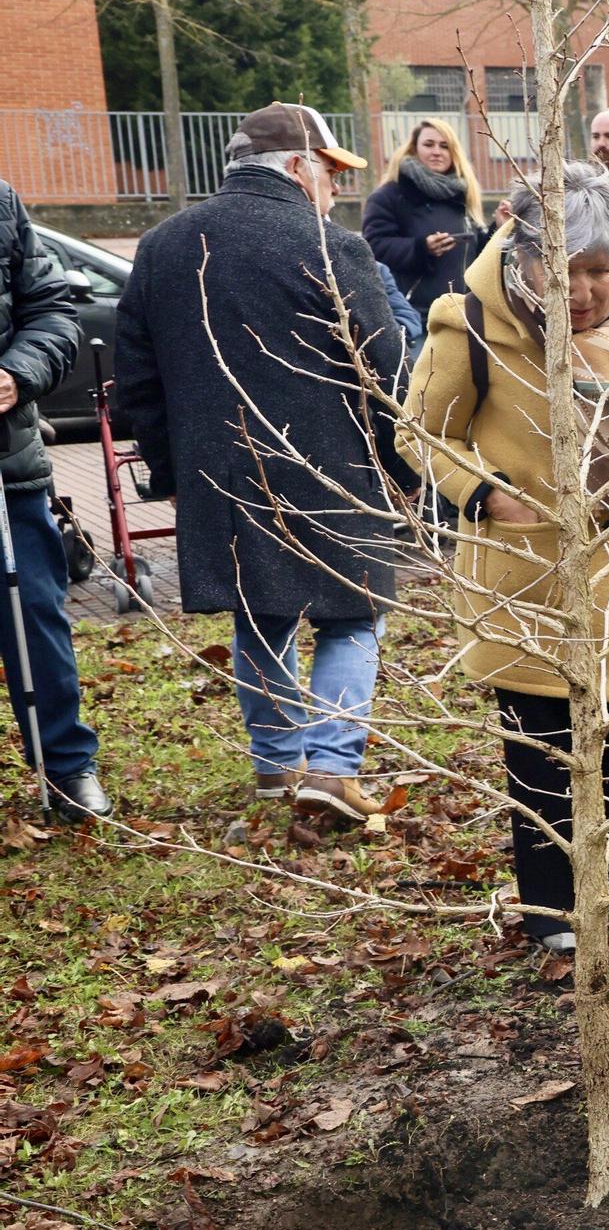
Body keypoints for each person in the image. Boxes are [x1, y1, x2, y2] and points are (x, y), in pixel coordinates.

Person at [400, 162, 609, 952]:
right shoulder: (466, 323)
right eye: (560, 270)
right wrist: (487, 495)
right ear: (524, 254)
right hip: (530, 572)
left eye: (598, 272)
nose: (581, 291)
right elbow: (422, 433)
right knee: (543, 739)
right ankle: (555, 904)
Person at [117, 102, 404, 820]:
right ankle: (333, 771)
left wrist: (173, 471)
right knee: (354, 614)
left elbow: (137, 380)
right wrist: (402, 468)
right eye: (332, 173)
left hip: (219, 472)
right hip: (329, 466)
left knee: (260, 615)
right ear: (298, 168)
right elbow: (387, 363)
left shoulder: (160, 247)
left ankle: (277, 768)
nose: (336, 188)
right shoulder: (333, 246)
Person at [0, 177, 109, 822]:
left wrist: (18, 374)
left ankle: (67, 768)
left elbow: (52, 313)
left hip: (7, 464)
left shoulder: (2, 202)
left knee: (35, 612)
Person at [363, 118, 490, 325]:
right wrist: (421, 248)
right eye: (428, 144)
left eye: (444, 146)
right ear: (414, 149)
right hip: (416, 317)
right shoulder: (389, 195)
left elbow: (477, 254)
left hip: (463, 317)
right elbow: (373, 248)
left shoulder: (464, 195)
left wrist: (498, 228)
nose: (437, 152)